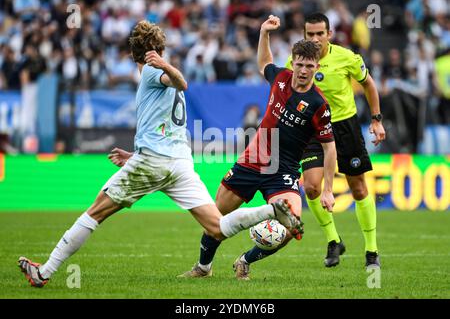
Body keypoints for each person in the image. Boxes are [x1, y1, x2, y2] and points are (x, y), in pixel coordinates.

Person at [17, 21, 302, 288]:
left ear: (134, 54)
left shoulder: (153, 70)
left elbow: (181, 83)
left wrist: (164, 64)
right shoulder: (156, 76)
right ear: (159, 47)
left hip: (155, 162)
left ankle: (44, 273)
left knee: (94, 213)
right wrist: (134, 156)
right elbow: (162, 121)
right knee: (216, 227)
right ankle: (270, 211)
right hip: (177, 163)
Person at [108, 15, 337, 280]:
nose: (304, 71)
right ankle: (203, 267)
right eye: (299, 64)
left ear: (316, 66)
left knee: (290, 227)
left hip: (283, 169)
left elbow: (329, 148)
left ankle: (245, 260)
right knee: (216, 216)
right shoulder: (282, 79)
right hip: (252, 161)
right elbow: (264, 62)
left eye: (309, 66)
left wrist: (328, 190)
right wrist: (264, 32)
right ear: (293, 63)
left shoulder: (318, 104)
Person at [284, 13, 385, 269]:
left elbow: (370, 85)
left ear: (329, 34)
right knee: (311, 188)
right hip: (313, 130)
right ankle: (333, 240)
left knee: (359, 188)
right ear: (304, 35)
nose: (316, 39)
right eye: (311, 34)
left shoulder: (347, 57)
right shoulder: (295, 61)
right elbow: (285, 93)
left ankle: (371, 250)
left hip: (345, 127)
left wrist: (376, 119)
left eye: (320, 33)